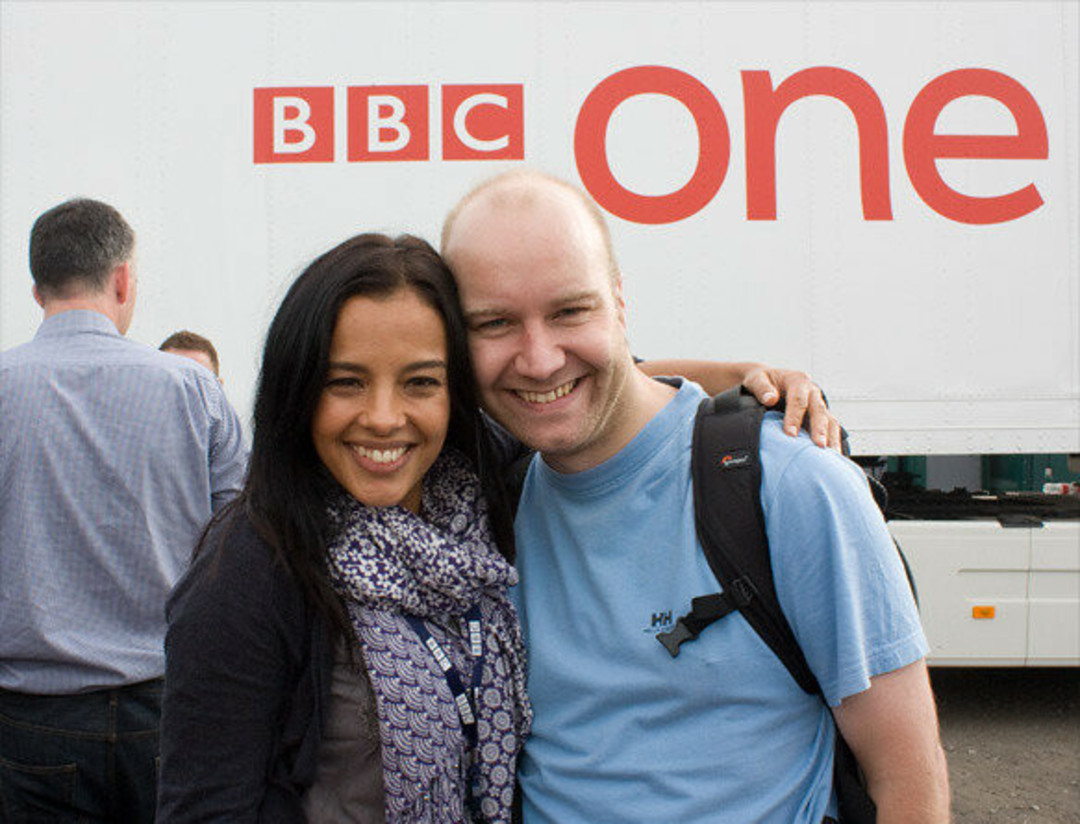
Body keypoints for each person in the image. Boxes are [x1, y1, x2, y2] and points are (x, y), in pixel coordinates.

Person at [440, 171, 951, 823]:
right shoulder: (487, 511)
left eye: (570, 311)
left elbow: (908, 777)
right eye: (495, 323)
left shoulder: (791, 485)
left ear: (618, 304)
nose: (539, 360)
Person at [156, 233, 530, 823]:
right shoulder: (247, 573)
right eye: (346, 382)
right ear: (298, 391)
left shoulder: (481, 510)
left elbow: (577, 405)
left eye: (420, 382)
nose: (383, 418)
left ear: (455, 392)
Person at [0, 198, 247, 822]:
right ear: (122, 280)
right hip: (166, 708)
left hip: (30, 720)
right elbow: (243, 542)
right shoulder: (193, 390)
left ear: (37, 289)